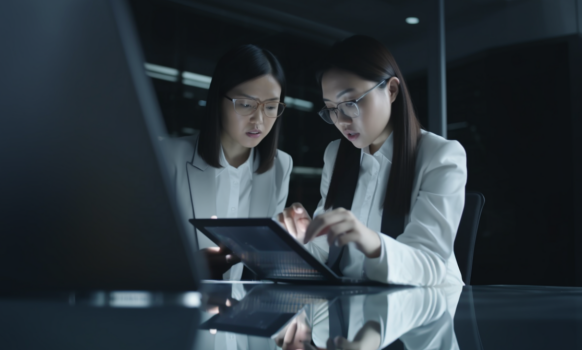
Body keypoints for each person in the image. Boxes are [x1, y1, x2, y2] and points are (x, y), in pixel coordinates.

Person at [278, 35, 467, 286]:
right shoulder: (336, 154)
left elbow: (429, 264)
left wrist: (371, 242)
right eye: (332, 109)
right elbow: (323, 254)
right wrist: (298, 241)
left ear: (391, 90)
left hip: (426, 312)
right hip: (355, 309)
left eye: (351, 102)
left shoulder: (440, 156)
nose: (342, 120)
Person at [164, 44, 292, 280]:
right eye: (246, 104)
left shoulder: (280, 166)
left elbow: (268, 265)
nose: (259, 120)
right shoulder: (169, 157)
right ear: (218, 99)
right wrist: (189, 267)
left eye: (271, 107)